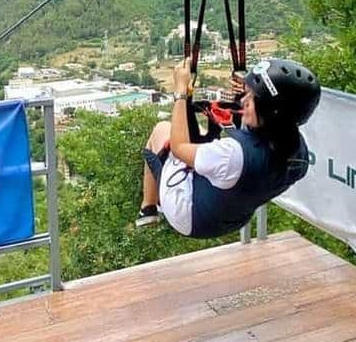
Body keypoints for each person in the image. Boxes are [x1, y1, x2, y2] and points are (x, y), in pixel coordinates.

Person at [136, 57, 321, 238]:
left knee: (162, 130)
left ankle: (148, 208)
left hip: (188, 216)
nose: (244, 101)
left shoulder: (233, 154)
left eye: (253, 97)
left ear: (271, 113)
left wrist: (180, 92)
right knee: (201, 142)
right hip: (233, 218)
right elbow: (255, 145)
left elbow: (179, 147)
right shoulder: (299, 156)